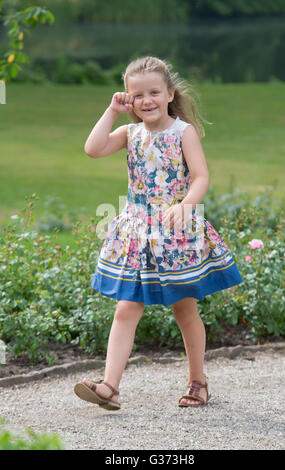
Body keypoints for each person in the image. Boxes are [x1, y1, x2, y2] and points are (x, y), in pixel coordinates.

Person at [74, 56, 243, 410]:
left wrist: (186, 205)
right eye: (138, 94)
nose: (146, 100)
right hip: (137, 234)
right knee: (126, 308)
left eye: (154, 92)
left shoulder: (183, 132)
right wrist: (111, 112)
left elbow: (200, 177)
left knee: (185, 309)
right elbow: (92, 149)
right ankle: (109, 386)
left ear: (169, 94)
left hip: (175, 232)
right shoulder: (129, 133)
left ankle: (198, 382)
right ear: (128, 99)